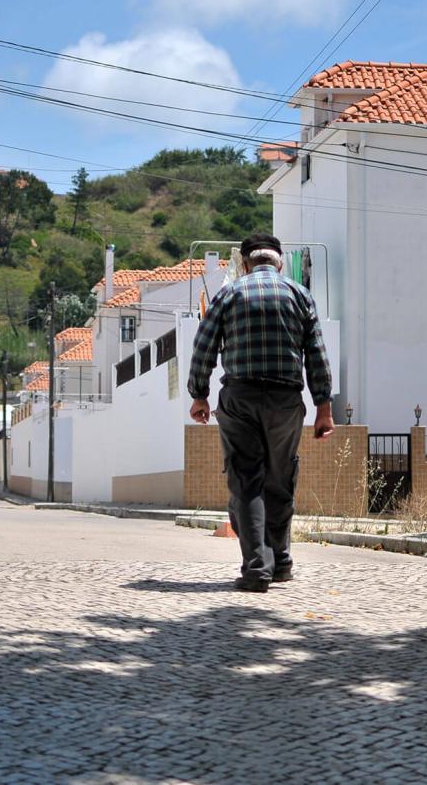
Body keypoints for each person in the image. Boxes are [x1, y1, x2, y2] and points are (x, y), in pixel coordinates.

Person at [188, 233, 335, 593]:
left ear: (246, 262)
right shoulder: (299, 295)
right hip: (286, 401)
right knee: (280, 479)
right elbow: (316, 353)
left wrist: (200, 396)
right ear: (279, 262)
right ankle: (281, 561)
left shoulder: (230, 293)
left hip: (240, 397)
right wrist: (324, 408)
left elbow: (204, 345)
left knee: (246, 479)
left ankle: (257, 568)